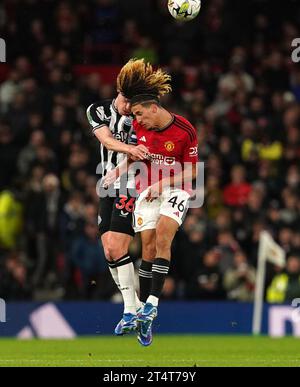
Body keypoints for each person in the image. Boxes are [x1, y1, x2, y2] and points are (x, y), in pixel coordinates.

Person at [104, 59, 199, 346]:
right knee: (145, 248)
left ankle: (152, 304)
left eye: (139, 114)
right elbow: (135, 155)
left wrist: (163, 183)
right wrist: (117, 172)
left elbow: (193, 170)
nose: (137, 121)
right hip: (147, 190)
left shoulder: (184, 130)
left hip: (175, 189)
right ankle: (146, 316)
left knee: (163, 238)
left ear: (153, 108)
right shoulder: (139, 126)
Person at [86, 78, 149, 335]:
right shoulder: (97, 110)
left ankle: (129, 311)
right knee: (109, 252)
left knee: (117, 247)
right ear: (118, 93)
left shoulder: (139, 117)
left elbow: (142, 153)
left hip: (131, 183)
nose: (127, 107)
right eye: (125, 101)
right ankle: (138, 307)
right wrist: (130, 149)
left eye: (132, 103)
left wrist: (130, 157)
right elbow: (107, 141)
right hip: (109, 182)